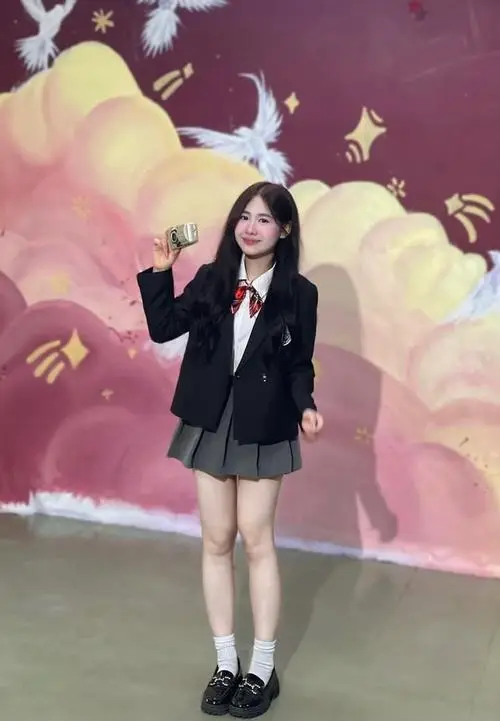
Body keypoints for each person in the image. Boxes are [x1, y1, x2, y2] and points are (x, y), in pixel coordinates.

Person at [136, 181, 323, 718]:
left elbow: (298, 364)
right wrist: (161, 270)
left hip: (265, 423)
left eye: (264, 219)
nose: (250, 227)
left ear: (284, 229)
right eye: (244, 216)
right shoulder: (212, 279)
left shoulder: (300, 293)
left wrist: (306, 406)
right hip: (211, 417)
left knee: (257, 539)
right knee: (217, 540)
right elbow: (163, 328)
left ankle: (261, 669)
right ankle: (225, 663)